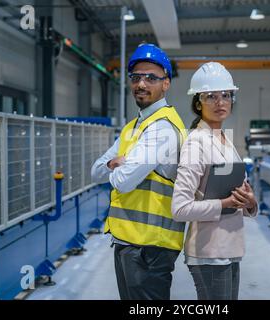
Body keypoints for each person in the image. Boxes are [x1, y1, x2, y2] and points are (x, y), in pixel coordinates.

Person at [91, 44, 187, 300]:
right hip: (128, 242)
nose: (141, 84)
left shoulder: (162, 128)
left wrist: (120, 166)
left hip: (151, 247)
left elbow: (122, 182)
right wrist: (115, 163)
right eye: (136, 77)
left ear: (166, 84)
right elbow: (95, 171)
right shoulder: (133, 127)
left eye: (151, 78)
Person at [171, 62, 258, 300]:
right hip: (209, 252)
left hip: (229, 248)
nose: (220, 102)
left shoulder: (224, 139)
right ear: (198, 102)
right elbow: (180, 208)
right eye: (211, 96)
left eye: (226, 95)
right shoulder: (196, 142)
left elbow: (237, 194)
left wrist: (249, 202)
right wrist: (225, 203)